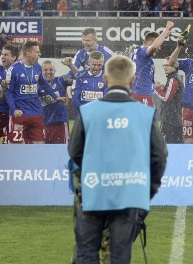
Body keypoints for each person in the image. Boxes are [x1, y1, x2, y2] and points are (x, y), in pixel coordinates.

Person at [69, 55, 168, 263]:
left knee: (86, 254)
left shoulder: (87, 111)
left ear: (105, 78)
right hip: (129, 194)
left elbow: (74, 152)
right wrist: (147, 190)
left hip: (93, 192)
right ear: (132, 80)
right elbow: (159, 156)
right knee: (119, 256)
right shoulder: (145, 113)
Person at [6, 41, 61, 144]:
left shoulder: (38, 67)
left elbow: (44, 83)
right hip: (20, 113)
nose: (39, 54)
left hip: (36, 113)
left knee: (39, 145)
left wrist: (55, 97)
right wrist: (14, 109)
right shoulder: (13, 69)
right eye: (37, 52)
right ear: (28, 53)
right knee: (15, 147)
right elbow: (8, 93)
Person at [130, 21, 174, 106]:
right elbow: (154, 47)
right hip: (142, 96)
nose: (159, 48)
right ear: (150, 43)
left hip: (137, 94)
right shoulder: (143, 52)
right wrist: (165, 31)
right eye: (160, 46)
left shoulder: (137, 52)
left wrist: (153, 83)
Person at [154, 59, 183, 144]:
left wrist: (156, 88)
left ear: (174, 67)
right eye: (164, 65)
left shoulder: (173, 79)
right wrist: (162, 88)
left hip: (171, 120)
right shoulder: (173, 78)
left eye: (167, 65)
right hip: (173, 118)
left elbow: (166, 98)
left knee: (169, 145)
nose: (165, 67)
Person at [41, 59, 70, 144]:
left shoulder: (61, 80)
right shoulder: (38, 86)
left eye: (51, 69)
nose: (48, 72)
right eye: (45, 70)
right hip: (44, 124)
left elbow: (76, 76)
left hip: (60, 123)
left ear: (55, 71)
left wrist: (70, 65)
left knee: (62, 150)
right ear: (41, 72)